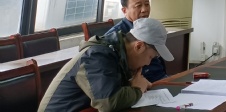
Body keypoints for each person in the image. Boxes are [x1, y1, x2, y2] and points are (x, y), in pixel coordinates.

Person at [39, 18, 174, 112]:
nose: (148, 63)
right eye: (151, 57)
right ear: (138, 46)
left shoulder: (117, 53)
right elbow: (108, 102)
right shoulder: (97, 56)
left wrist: (133, 83)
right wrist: (137, 89)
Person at [105, 0, 168, 82]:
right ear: (124, 10)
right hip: (140, 84)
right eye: (138, 6)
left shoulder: (151, 27)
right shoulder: (115, 37)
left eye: (147, 4)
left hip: (161, 77)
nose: (144, 10)